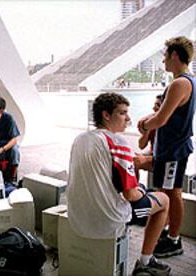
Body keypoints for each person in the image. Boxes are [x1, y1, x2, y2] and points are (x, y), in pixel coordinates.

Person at [67, 93, 171, 275]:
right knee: (163, 200)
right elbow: (130, 195)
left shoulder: (80, 139)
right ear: (106, 115)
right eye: (123, 113)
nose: (128, 118)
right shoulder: (118, 142)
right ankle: (145, 261)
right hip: (110, 220)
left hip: (77, 217)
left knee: (143, 191)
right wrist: (141, 192)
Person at [137, 36, 195, 258]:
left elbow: (161, 119)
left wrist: (144, 124)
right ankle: (168, 233)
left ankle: (174, 240)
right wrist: (151, 119)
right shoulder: (186, 81)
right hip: (170, 150)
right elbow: (165, 115)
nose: (163, 62)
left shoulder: (181, 82)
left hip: (173, 151)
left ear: (174, 55)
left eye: (165, 57)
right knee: (166, 192)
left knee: (172, 194)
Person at [133, 94, 162, 180]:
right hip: (153, 154)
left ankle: (135, 191)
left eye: (158, 105)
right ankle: (135, 188)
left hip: (163, 158)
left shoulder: (169, 125)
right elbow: (141, 145)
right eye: (154, 105)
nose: (153, 108)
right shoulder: (152, 122)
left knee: (135, 161)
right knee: (128, 157)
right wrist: (147, 129)